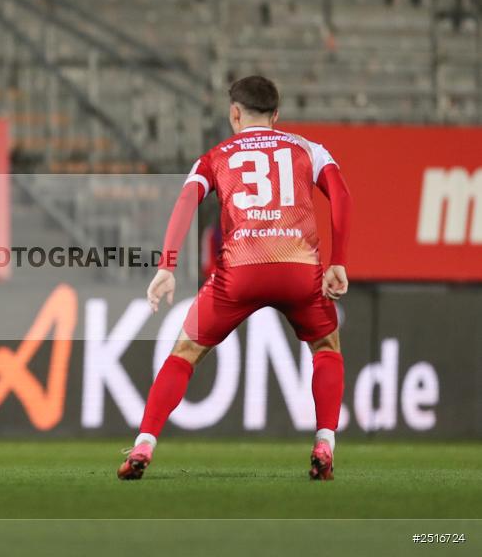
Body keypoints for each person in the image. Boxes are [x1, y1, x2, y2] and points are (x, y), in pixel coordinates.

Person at [118, 75, 352, 481]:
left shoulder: (215, 156)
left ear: (234, 113)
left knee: (184, 353)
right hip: (298, 269)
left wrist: (167, 267)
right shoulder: (308, 150)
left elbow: (186, 200)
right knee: (326, 346)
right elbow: (342, 196)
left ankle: (145, 442)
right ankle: (324, 441)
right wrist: (339, 261)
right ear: (276, 115)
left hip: (239, 272)